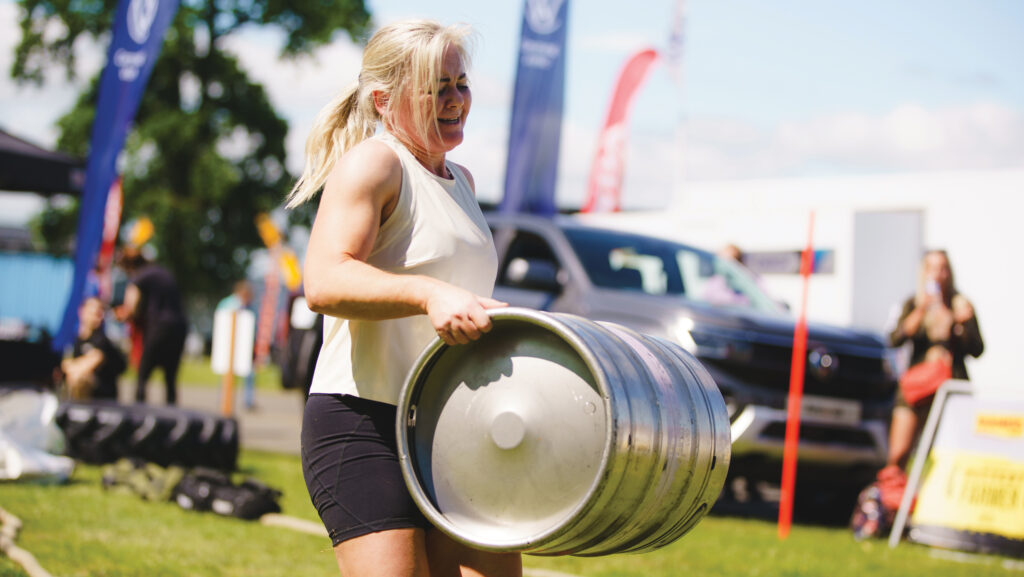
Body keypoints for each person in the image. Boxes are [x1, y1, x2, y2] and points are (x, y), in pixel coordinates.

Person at [286, 20, 518, 577]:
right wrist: (428, 293)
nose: (455, 101)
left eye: (460, 83)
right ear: (386, 100)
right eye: (436, 88)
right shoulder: (375, 164)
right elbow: (323, 282)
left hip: (453, 426)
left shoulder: (461, 179)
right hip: (362, 421)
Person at [885, 249, 984, 469]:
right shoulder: (913, 303)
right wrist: (921, 311)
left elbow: (977, 349)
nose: (939, 274)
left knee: (948, 452)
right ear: (924, 272)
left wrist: (961, 325)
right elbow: (894, 339)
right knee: (899, 453)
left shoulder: (961, 305)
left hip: (950, 386)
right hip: (917, 386)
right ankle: (893, 498)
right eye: (932, 268)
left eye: (943, 268)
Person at [115, 247, 189, 405]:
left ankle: (138, 413)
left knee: (143, 373)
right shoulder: (162, 272)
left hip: (159, 327)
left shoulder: (140, 277)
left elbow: (131, 307)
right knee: (170, 376)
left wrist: (119, 314)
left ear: (129, 266)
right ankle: (172, 416)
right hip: (179, 326)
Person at [60, 296, 126, 401]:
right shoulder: (75, 339)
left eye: (100, 313)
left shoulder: (102, 340)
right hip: (79, 395)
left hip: (103, 399)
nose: (98, 316)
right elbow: (65, 363)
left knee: (80, 379)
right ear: (82, 312)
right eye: (94, 312)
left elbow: (91, 362)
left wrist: (72, 369)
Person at [216, 279, 258, 410]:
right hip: (228, 345)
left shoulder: (250, 307)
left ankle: (248, 400)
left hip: (246, 346)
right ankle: (224, 399)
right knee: (227, 374)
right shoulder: (228, 304)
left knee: (249, 374)